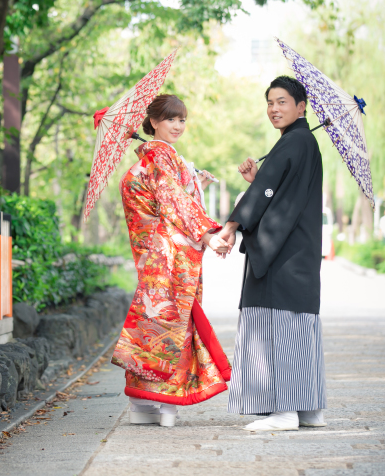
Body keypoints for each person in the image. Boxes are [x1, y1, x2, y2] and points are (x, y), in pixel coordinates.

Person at [112, 94, 232, 427]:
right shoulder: (162, 156)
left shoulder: (143, 161)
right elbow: (172, 203)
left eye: (182, 120)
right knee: (176, 326)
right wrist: (207, 234)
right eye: (171, 120)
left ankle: (141, 405)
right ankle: (167, 405)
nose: (178, 126)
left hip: (152, 257)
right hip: (172, 258)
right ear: (153, 122)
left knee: (151, 326)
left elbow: (162, 206)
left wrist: (196, 184)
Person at [217, 76, 327, 432]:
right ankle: (308, 408)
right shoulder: (302, 142)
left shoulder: (295, 142)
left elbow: (268, 193)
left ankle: (285, 411)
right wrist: (258, 181)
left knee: (280, 324)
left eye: (282, 102)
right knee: (298, 324)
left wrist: (231, 227)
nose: (274, 109)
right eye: (270, 102)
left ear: (301, 106)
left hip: (283, 253)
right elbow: (274, 189)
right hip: (299, 251)